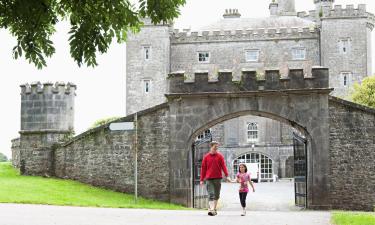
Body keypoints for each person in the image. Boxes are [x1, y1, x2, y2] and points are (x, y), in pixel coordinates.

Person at [200, 141, 231, 216]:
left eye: (217, 146)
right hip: (209, 178)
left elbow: (223, 166)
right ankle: (211, 209)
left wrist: (227, 176)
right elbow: (203, 169)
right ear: (211, 146)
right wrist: (201, 179)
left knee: (217, 195)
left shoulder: (220, 156)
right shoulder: (206, 157)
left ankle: (214, 208)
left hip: (218, 178)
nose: (216, 147)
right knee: (211, 194)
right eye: (215, 146)